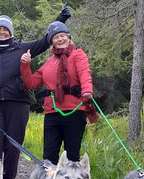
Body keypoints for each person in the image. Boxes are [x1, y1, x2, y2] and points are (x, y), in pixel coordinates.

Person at [0, 4, 71, 179]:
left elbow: (45, 42)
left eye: (5, 29)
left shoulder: (22, 48)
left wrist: (61, 19)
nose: (1, 32)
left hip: (17, 102)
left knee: (13, 146)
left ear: (10, 32)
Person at [20, 21, 99, 165]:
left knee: (72, 155)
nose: (60, 39)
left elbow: (84, 73)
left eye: (63, 35)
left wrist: (87, 90)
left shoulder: (78, 55)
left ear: (69, 37)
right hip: (52, 114)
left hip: (75, 112)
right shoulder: (48, 63)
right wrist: (25, 65)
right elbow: (30, 83)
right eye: (56, 37)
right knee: (49, 157)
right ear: (52, 42)